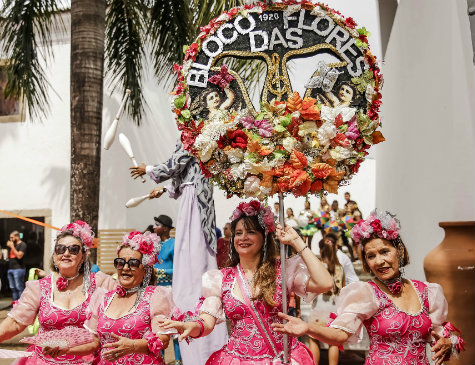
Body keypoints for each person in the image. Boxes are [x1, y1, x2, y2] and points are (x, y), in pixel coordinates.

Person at [272, 210, 465, 365]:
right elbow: (340, 334)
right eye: (371, 256)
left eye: (384, 252)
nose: (379, 261)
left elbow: (441, 333)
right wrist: (308, 328)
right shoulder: (366, 293)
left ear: (399, 251)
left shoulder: (428, 292)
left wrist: (448, 342)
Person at [158, 200, 334, 364]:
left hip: (282, 357)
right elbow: (207, 321)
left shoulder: (282, 271)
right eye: (238, 233)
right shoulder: (221, 278)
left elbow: (325, 283)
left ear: (264, 238)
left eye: (251, 232)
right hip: (238, 359)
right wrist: (192, 325)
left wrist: (296, 241)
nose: (243, 238)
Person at [130, 140, 227, 365]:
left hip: (194, 200)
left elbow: (176, 164)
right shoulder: (195, 133)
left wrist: (149, 169)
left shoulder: (193, 133)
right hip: (190, 197)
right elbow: (185, 171)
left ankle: (202, 327)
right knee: (189, 271)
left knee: (196, 265)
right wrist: (165, 189)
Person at [45, 231, 173, 365]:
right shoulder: (103, 298)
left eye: (133, 263)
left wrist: (133, 346)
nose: (125, 268)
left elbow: (162, 340)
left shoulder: (156, 296)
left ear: (146, 269)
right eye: (120, 262)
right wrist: (66, 349)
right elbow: (94, 342)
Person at [0, 221, 116, 365]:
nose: (66, 253)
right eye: (60, 249)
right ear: (55, 256)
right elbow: (16, 322)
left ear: (83, 256)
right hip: (44, 361)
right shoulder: (38, 287)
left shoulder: (101, 283)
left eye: (73, 249)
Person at [309, 240, 345, 365]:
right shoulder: (340, 268)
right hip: (334, 306)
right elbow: (342, 289)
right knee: (333, 341)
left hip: (319, 305)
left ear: (321, 250)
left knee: (314, 339)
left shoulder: (318, 266)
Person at [152, 214, 182, 365]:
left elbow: (179, 268)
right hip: (156, 290)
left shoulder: (174, 244)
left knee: (175, 325)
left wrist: (160, 272)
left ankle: (178, 361)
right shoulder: (155, 244)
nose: (154, 227)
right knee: (159, 326)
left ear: (165, 228)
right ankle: (160, 359)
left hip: (170, 290)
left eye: (157, 224)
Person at [6, 231, 27, 301]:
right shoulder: (13, 245)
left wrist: (12, 247)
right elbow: (8, 257)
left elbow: (19, 256)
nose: (10, 239)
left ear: (17, 237)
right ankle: (15, 304)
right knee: (13, 288)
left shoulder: (22, 244)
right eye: (10, 238)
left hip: (18, 269)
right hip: (10, 268)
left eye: (12, 237)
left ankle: (21, 305)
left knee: (19, 287)